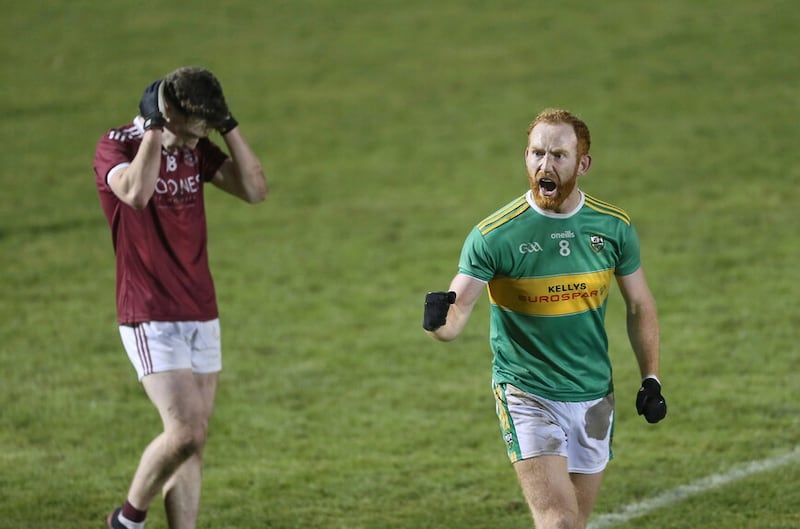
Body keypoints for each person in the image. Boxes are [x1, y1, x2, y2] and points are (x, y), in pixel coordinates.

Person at [422, 108, 667, 529]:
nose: (544, 165)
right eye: (536, 154)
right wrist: (438, 321)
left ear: (582, 164)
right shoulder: (495, 236)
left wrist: (651, 378)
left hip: (593, 394)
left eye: (557, 155)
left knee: (574, 522)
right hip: (527, 393)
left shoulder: (613, 228)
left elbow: (640, 305)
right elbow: (457, 310)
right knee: (559, 522)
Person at [93, 66, 268, 529]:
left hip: (200, 309)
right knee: (185, 431)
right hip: (149, 312)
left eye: (203, 134)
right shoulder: (118, 145)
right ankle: (127, 521)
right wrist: (153, 131)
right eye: (191, 133)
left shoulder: (194, 150)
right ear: (165, 113)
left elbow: (254, 189)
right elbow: (134, 193)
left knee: (194, 439)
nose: (196, 143)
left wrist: (227, 126)